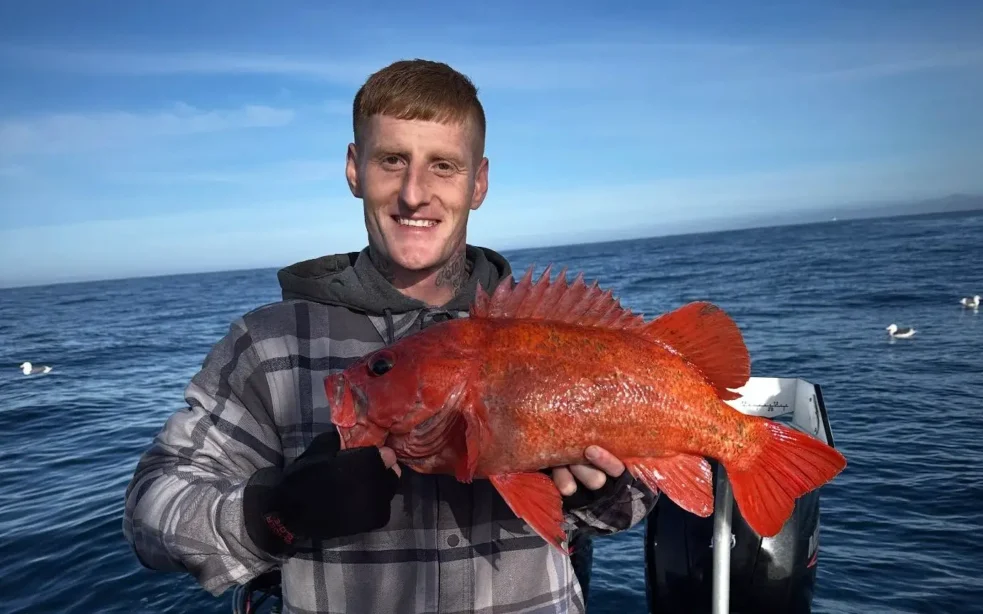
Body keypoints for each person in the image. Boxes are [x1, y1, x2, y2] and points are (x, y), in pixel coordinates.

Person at [122, 58, 658, 614]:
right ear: (354, 169)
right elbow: (148, 515)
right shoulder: (271, 346)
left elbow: (635, 501)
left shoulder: (547, 337)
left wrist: (603, 492)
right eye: (391, 160)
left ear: (479, 183)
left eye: (444, 166)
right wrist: (276, 515)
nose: (413, 194)